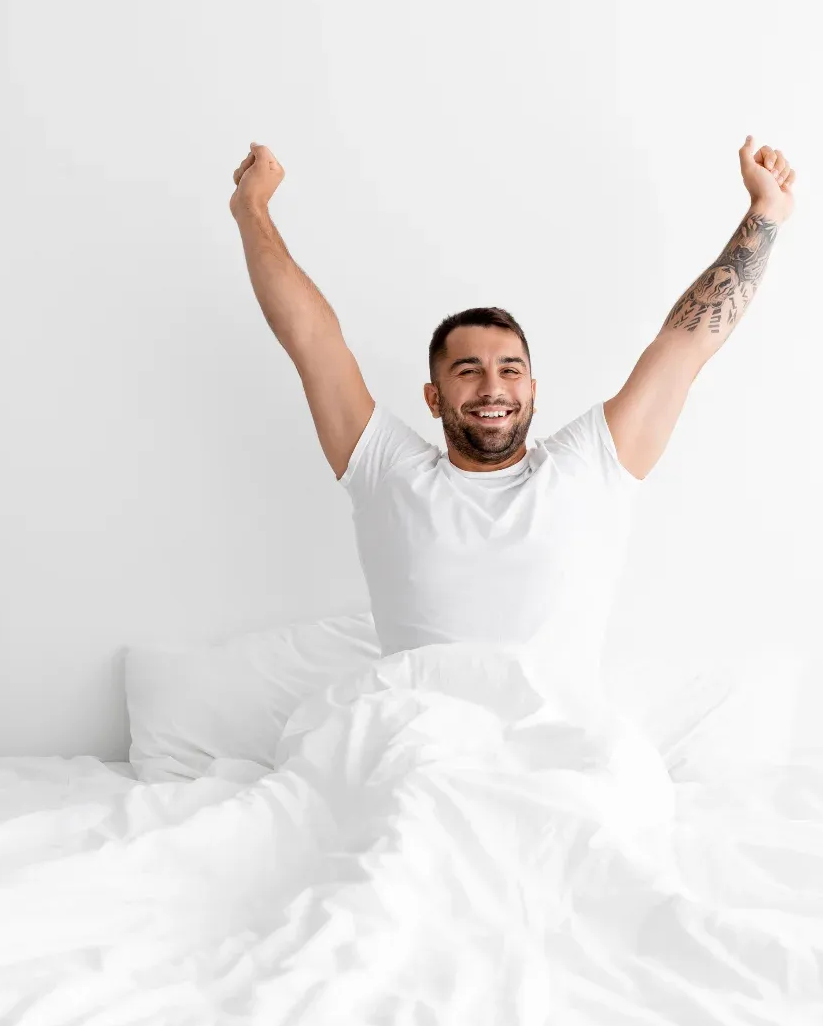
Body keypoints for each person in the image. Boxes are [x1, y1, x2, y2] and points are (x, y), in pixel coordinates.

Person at [229, 135, 794, 702]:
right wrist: (252, 210)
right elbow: (311, 340)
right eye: (468, 370)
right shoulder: (387, 471)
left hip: (558, 749)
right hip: (420, 743)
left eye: (510, 369)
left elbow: (685, 343)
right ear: (433, 397)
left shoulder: (589, 467)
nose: (493, 387)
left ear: (532, 391)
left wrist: (764, 213)